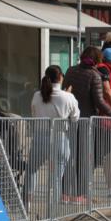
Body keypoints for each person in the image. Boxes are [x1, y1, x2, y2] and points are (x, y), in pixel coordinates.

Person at [62, 46, 111, 203]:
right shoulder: (94, 75)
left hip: (68, 120)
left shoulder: (70, 70)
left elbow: (65, 92)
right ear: (98, 60)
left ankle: (64, 193)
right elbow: (99, 101)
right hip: (85, 122)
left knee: (69, 158)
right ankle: (80, 195)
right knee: (84, 159)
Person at [26, 65, 80, 205]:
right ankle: (52, 212)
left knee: (32, 170)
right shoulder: (68, 96)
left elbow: (33, 113)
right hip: (60, 137)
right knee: (56, 176)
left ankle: (27, 204)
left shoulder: (37, 95)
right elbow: (75, 118)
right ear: (61, 77)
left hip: (40, 136)